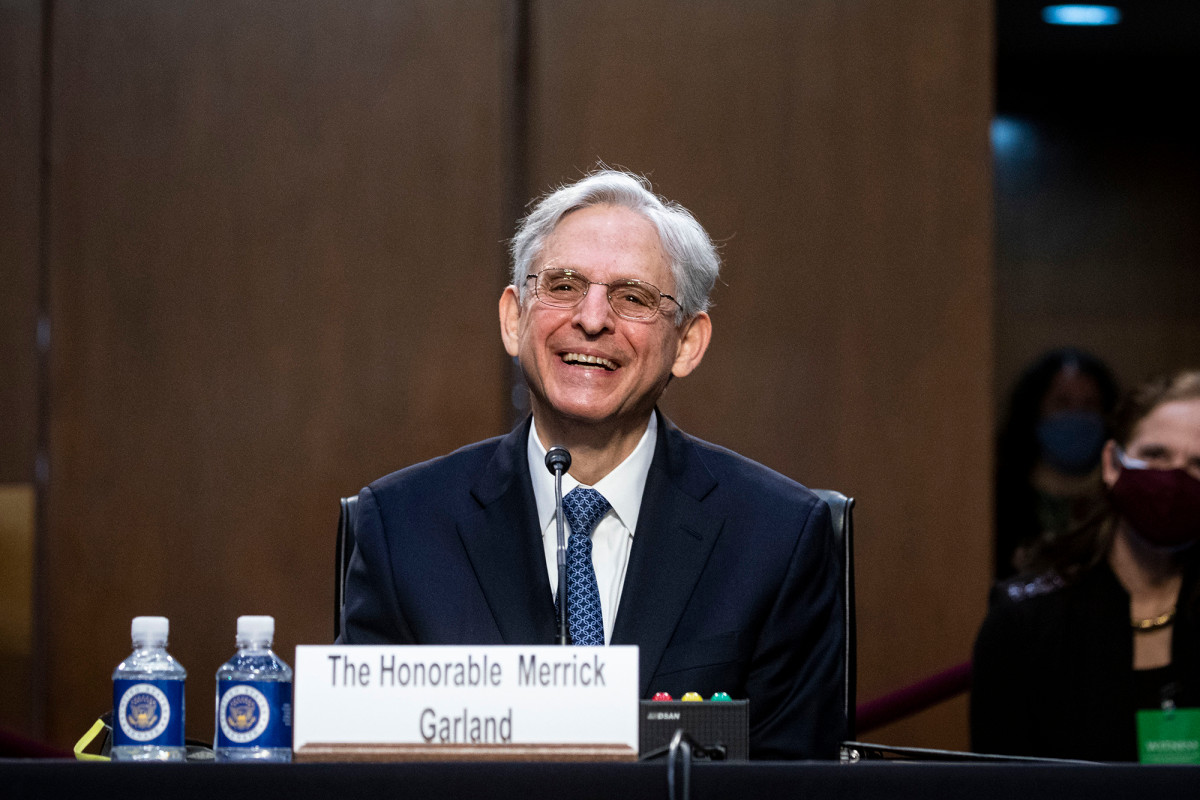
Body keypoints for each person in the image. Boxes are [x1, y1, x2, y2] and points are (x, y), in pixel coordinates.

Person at [339, 169, 844, 760]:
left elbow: (794, 788)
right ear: (513, 318)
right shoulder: (401, 528)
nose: (593, 318)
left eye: (632, 297)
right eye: (563, 285)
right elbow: (365, 775)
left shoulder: (777, 537)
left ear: (687, 343)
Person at [972, 369, 1200, 761]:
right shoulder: (1025, 620)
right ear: (1113, 463)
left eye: (1197, 462)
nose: (1174, 477)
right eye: (1155, 454)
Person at [994, 348, 1119, 581]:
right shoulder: (1000, 494)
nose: (1077, 415)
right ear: (1034, 410)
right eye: (1062, 403)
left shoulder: (1123, 493)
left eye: (1089, 404)